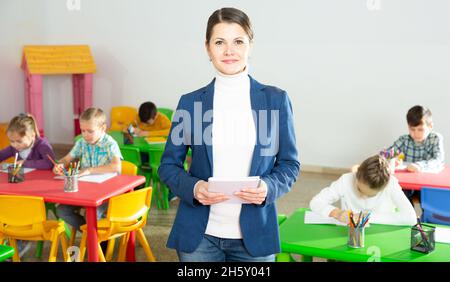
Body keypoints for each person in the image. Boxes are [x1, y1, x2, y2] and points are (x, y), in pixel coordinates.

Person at [158, 7, 300, 262]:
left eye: (238, 41)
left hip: (255, 236)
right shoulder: (191, 103)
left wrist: (269, 186)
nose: (229, 50)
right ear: (207, 47)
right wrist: (194, 187)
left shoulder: (275, 100)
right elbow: (168, 166)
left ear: (250, 44)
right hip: (199, 237)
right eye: (219, 42)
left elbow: (289, 164)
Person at [55, 108, 122, 232]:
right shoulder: (82, 142)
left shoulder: (110, 144)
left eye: (90, 131)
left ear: (103, 128)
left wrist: (90, 170)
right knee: (61, 210)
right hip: (85, 191)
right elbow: (67, 159)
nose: (85, 135)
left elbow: (116, 166)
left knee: (92, 214)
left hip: (108, 193)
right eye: (83, 130)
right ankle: (90, 234)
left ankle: (98, 241)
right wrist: (60, 164)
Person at [0, 113, 56, 258]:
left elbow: (49, 163)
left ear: (32, 136)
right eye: (12, 141)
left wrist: (25, 163)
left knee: (19, 212)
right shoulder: (15, 147)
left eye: (18, 141)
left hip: (40, 193)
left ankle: (20, 244)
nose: (15, 145)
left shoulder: (42, 145)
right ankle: (12, 241)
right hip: (21, 190)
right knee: (9, 209)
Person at [310, 155, 417, 226]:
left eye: (370, 195)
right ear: (357, 175)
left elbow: (411, 218)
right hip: (349, 235)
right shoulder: (346, 180)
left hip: (380, 236)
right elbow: (316, 202)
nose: (362, 197)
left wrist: (368, 217)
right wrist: (337, 213)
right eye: (359, 189)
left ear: (383, 187)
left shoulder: (391, 184)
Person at [387, 105, 444, 202]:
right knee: (399, 194)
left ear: (430, 126)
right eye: (412, 129)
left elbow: (438, 160)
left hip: (428, 183)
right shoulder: (405, 140)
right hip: (408, 184)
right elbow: (387, 154)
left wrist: (419, 165)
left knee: (432, 199)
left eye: (420, 129)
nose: (416, 133)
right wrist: (391, 160)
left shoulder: (435, 138)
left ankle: (425, 217)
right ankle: (409, 216)